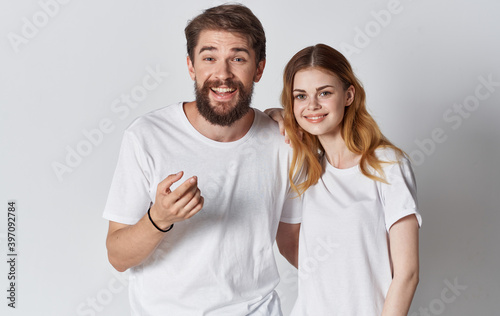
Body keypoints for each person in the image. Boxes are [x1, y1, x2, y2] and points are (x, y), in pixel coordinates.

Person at [103, 4, 299, 315]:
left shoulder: (284, 140)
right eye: (209, 58)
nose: (222, 74)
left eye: (238, 58)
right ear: (191, 66)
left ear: (259, 68)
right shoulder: (147, 136)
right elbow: (118, 257)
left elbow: (293, 244)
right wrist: (159, 218)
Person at [273, 44, 422, 315]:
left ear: (348, 95)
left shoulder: (386, 164)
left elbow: (407, 274)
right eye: (301, 96)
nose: (312, 105)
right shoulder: (303, 170)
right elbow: (287, 244)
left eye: (325, 93)